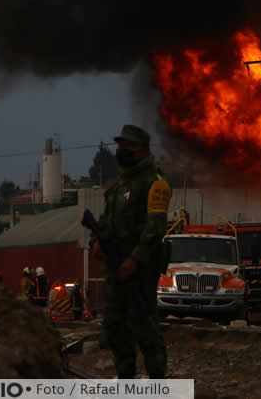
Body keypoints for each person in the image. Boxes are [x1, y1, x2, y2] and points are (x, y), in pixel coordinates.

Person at [91, 124, 171, 379]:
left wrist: (135, 259)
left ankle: (158, 385)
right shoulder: (117, 187)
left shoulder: (155, 183)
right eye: (120, 146)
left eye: (128, 147)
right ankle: (127, 383)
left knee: (145, 327)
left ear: (142, 149)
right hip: (116, 267)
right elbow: (105, 220)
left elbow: (155, 227)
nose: (122, 151)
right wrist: (97, 241)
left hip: (140, 269)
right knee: (115, 328)